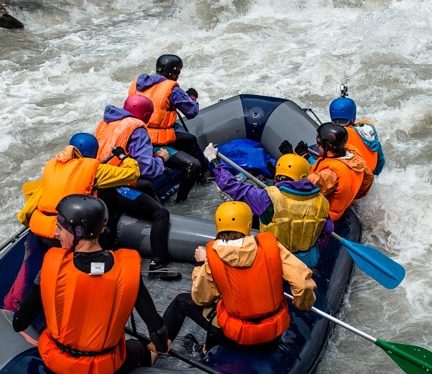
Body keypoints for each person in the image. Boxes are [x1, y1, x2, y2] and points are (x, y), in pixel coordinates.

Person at [12, 194, 168, 374]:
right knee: (139, 347)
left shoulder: (51, 266)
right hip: (103, 370)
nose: (55, 234)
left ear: (77, 232)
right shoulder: (129, 270)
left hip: (57, 363)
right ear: (102, 228)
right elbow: (159, 336)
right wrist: (160, 346)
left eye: (60, 229)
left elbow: (19, 323)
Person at [7, 132, 141, 310]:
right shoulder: (95, 168)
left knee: (34, 268)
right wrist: (124, 157)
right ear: (93, 152)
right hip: (63, 234)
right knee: (98, 242)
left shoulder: (52, 164)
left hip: (39, 228)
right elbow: (132, 174)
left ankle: (17, 302)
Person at [161, 201, 316, 350]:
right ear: (249, 225)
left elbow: (201, 299)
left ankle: (158, 348)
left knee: (182, 301)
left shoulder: (213, 256)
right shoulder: (272, 246)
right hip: (273, 333)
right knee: (222, 309)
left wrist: (200, 264)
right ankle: (207, 347)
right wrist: (302, 304)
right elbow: (302, 283)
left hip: (236, 337)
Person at [203, 146, 333, 266]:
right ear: (304, 176)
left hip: (275, 259)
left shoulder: (266, 197)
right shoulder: (322, 201)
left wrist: (214, 161)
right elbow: (327, 230)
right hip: (308, 261)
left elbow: (231, 185)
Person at [95, 94, 173, 271]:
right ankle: (158, 265)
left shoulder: (106, 122)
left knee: (145, 186)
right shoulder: (136, 128)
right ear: (146, 116)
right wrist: (161, 159)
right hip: (115, 186)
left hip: (98, 181)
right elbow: (147, 170)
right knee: (161, 213)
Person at [129, 54, 207, 199]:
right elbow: (191, 111)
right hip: (153, 141)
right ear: (174, 72)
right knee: (193, 165)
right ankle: (182, 200)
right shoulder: (171, 89)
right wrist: (192, 97)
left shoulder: (138, 83)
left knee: (190, 139)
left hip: (135, 133)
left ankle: (201, 176)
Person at [307, 122, 368, 222]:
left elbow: (304, 189)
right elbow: (368, 179)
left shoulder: (329, 174)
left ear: (327, 147)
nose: (317, 146)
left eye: (319, 143)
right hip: (343, 206)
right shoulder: (355, 155)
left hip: (327, 217)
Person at [329, 88, 384, 199]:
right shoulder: (368, 132)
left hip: (352, 185)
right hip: (367, 181)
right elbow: (380, 161)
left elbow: (328, 162)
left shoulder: (336, 138)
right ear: (353, 118)